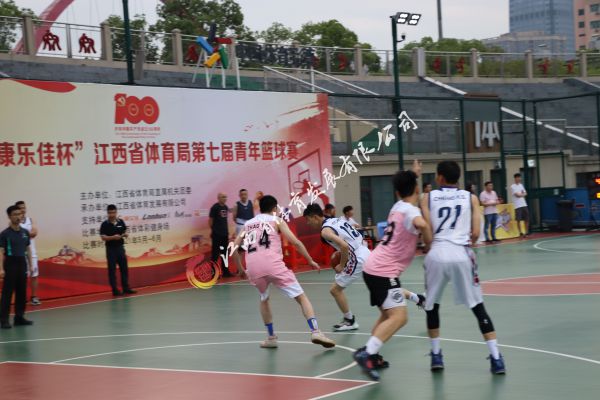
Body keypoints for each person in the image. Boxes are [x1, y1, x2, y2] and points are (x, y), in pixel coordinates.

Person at [420, 161, 505, 375]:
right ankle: (496, 358)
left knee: (432, 306)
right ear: (458, 177)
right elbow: (475, 233)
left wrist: (431, 245)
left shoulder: (427, 197)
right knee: (478, 306)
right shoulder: (471, 197)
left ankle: (436, 355)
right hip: (461, 253)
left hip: (437, 252)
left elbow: (427, 232)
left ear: (440, 177)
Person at [353, 161, 431, 381]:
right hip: (383, 271)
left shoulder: (397, 207)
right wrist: (429, 242)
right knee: (399, 316)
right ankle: (366, 354)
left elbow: (408, 191)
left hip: (373, 266)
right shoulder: (412, 212)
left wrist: (414, 174)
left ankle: (372, 354)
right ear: (417, 189)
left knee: (387, 314)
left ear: (397, 192)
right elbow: (422, 224)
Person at [232, 195, 335, 349]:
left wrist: (241, 269)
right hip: (273, 265)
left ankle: (271, 338)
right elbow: (295, 242)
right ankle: (315, 331)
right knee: (301, 297)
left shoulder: (248, 224)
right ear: (274, 208)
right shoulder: (277, 220)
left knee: (264, 298)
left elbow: (234, 248)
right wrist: (310, 260)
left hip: (253, 268)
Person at [304, 204, 368, 331]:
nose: (307, 223)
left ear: (315, 217)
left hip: (357, 257)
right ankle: (412, 296)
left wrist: (341, 265)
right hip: (364, 250)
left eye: (308, 219)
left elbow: (344, 246)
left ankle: (349, 321)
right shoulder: (335, 220)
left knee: (335, 290)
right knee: (380, 283)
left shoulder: (325, 231)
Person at [0, 205, 34, 328]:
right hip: (10, 263)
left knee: (21, 292)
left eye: (19, 214)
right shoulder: (5, 234)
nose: (18, 216)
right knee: (7, 293)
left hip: (22, 263)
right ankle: (4, 320)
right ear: (9, 216)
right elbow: (1, 251)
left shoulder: (25, 232)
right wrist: (1, 268)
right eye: (15, 214)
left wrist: (31, 265)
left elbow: (28, 249)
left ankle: (19, 317)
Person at [100, 205, 136, 296]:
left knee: (124, 268)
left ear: (116, 212)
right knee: (112, 270)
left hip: (120, 248)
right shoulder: (104, 224)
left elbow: (125, 230)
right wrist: (113, 237)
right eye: (110, 213)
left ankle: (126, 288)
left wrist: (126, 234)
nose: (112, 215)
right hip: (110, 249)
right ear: (107, 213)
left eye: (113, 212)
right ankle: (115, 290)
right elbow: (103, 237)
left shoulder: (121, 222)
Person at [15, 201, 41, 305]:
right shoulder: (15, 222)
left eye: (24, 207)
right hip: (20, 254)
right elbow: (16, 236)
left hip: (32, 253)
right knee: (22, 277)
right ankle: (22, 298)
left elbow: (34, 232)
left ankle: (34, 297)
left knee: (34, 275)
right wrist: (26, 234)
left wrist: (23, 234)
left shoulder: (30, 220)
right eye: (20, 208)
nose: (23, 210)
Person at [209, 192, 232, 277]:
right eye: (223, 197)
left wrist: (226, 232)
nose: (224, 198)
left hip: (224, 235)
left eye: (225, 197)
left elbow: (224, 221)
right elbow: (210, 221)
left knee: (224, 254)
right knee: (215, 254)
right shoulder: (214, 207)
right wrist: (214, 230)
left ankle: (226, 272)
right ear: (218, 198)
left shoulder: (226, 207)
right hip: (216, 235)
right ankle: (214, 273)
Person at [511, 173, 529, 237]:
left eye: (520, 177)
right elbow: (517, 195)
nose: (519, 179)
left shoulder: (521, 185)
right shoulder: (512, 186)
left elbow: (525, 193)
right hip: (517, 205)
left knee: (526, 218)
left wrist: (521, 194)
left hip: (524, 204)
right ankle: (520, 232)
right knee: (518, 219)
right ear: (515, 178)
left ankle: (526, 232)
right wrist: (522, 194)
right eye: (518, 177)